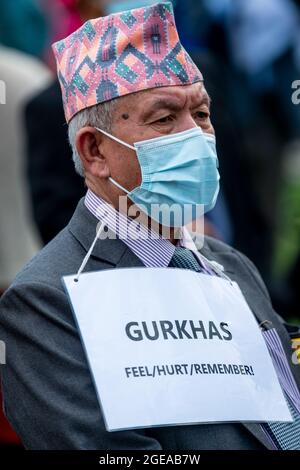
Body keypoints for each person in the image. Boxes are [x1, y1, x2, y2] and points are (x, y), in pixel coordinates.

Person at [0, 2, 299, 450]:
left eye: (201, 115)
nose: (195, 136)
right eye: (164, 120)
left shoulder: (228, 265)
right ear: (95, 152)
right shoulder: (49, 300)